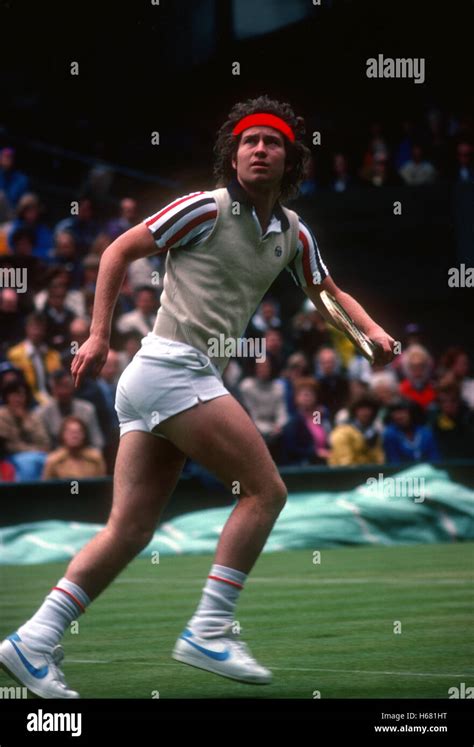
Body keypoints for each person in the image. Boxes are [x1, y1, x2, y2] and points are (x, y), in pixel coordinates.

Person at [0, 95, 395, 697]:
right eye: (248, 142)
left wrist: (372, 333)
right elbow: (117, 251)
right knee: (267, 491)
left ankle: (33, 640)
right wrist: (99, 334)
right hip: (169, 369)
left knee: (129, 531)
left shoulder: (292, 234)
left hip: (164, 384)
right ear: (232, 155)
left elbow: (328, 295)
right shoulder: (203, 209)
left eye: (273, 143)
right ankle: (210, 628)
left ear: (290, 160)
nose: (259, 150)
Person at [42, 415, 106, 479]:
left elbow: (103, 485)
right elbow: (46, 486)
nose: (74, 436)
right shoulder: (53, 460)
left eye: (78, 432)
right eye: (70, 432)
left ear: (84, 435)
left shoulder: (95, 458)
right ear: (62, 435)